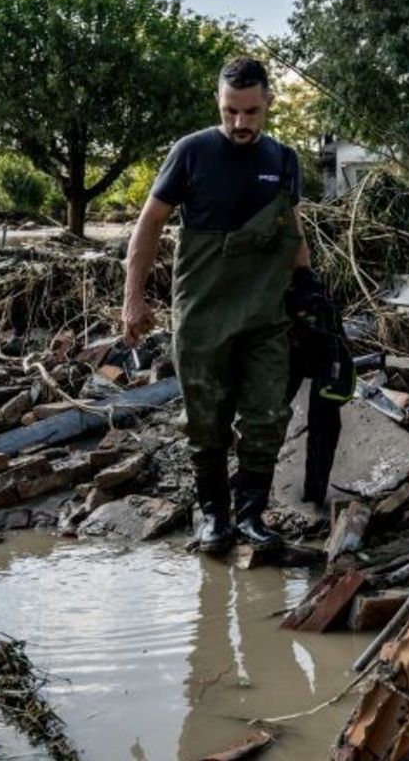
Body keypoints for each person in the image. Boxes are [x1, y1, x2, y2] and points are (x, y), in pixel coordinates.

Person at [121, 56, 309, 554]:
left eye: (250, 112)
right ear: (219, 104)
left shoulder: (283, 160)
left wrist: (309, 286)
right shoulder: (192, 153)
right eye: (230, 112)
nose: (240, 124)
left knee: (267, 417)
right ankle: (214, 517)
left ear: (269, 102)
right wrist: (133, 301)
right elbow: (148, 228)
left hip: (266, 316)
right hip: (202, 315)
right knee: (206, 422)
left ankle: (251, 517)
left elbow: (292, 227)